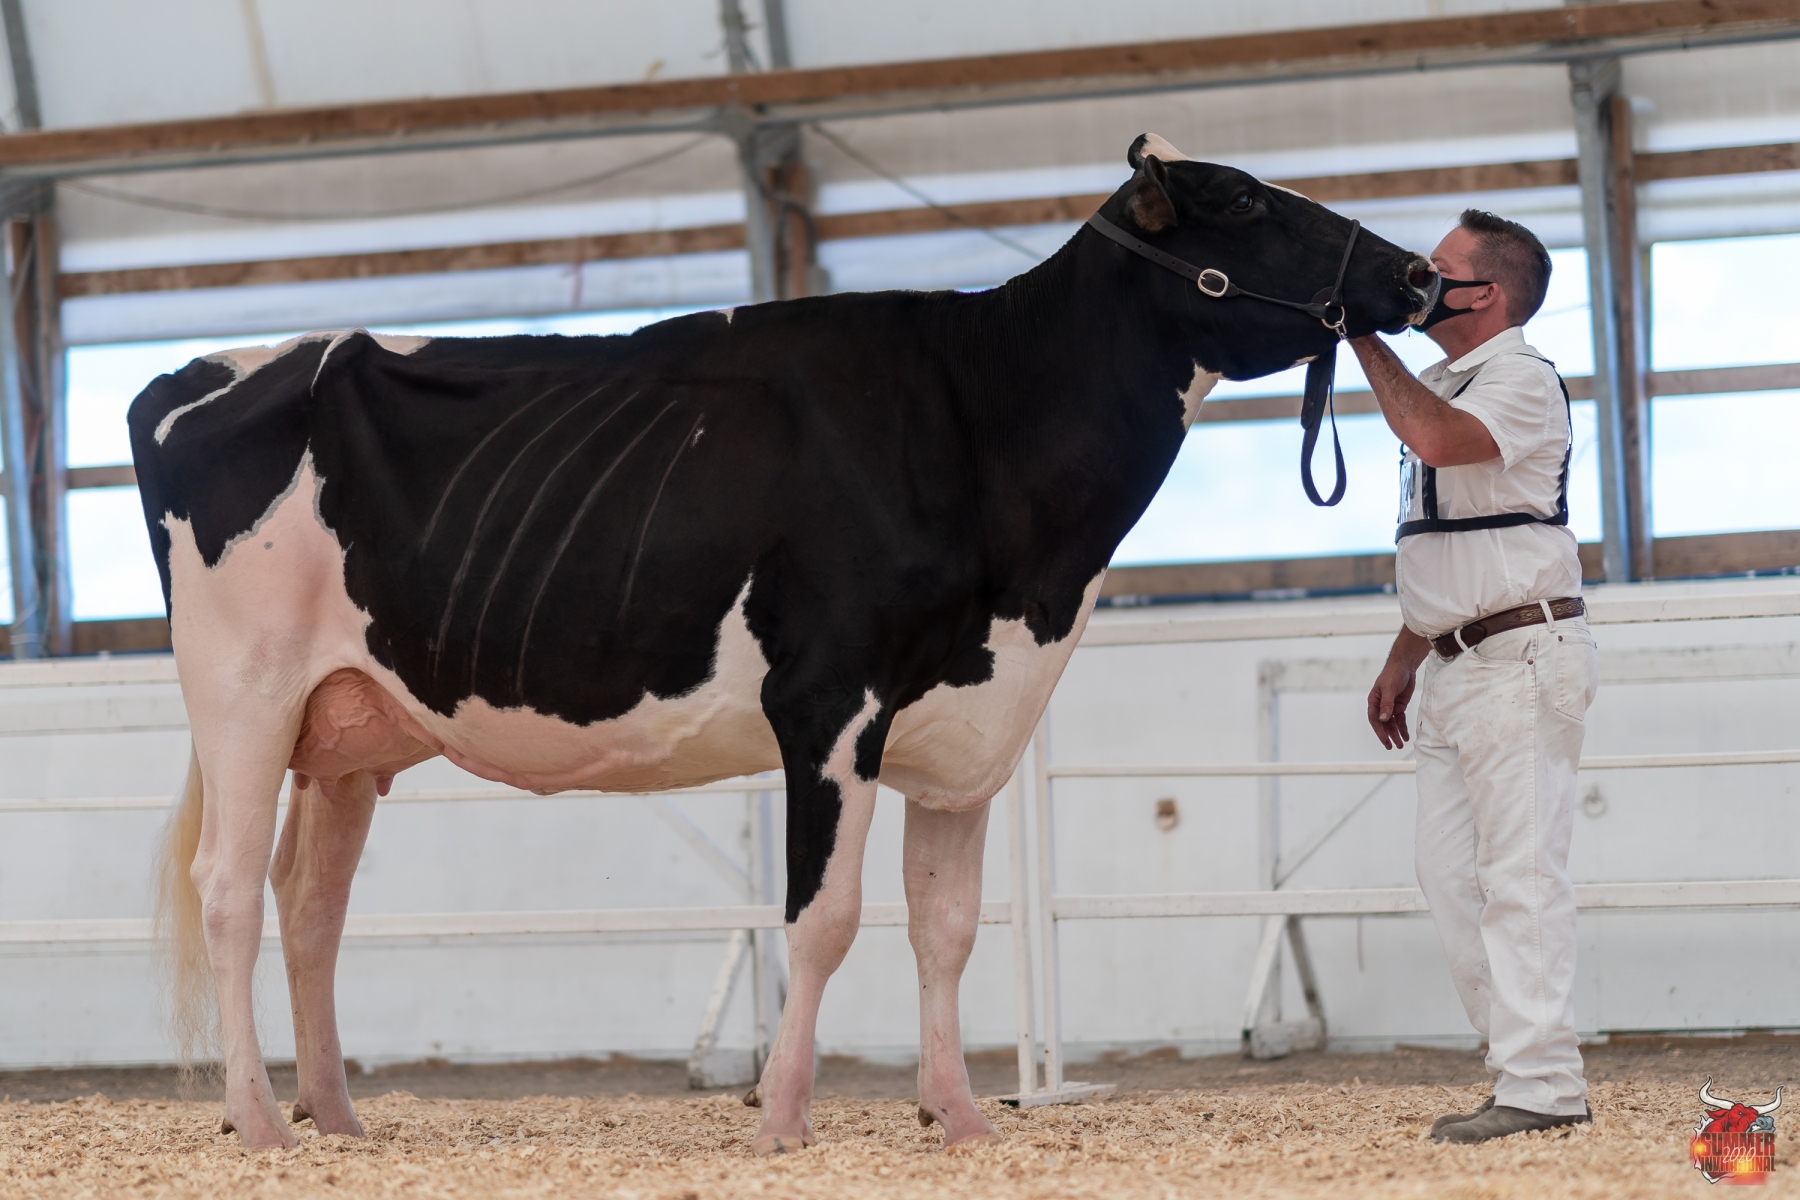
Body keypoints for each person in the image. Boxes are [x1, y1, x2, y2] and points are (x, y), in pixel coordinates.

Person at [1353, 209, 1597, 1145]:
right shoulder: (1447, 383)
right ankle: (1523, 1068)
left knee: (1517, 874)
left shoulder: (1520, 378)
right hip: (1456, 661)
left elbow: (1439, 442)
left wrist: (1361, 334)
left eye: (1438, 268)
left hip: (1520, 657)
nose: (1420, 278)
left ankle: (1543, 1085)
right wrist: (1404, 654)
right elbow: (1451, 542)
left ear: (1486, 293)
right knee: (1450, 876)